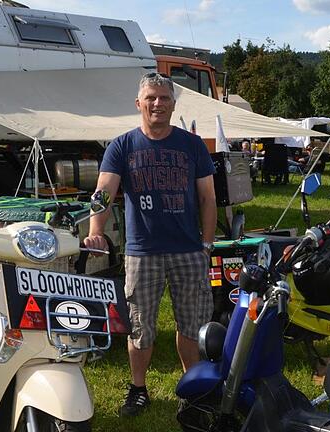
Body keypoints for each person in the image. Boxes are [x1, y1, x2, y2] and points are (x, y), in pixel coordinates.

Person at [84, 73, 217, 417]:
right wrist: (96, 228)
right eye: (151, 98)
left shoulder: (192, 145)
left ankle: (193, 388)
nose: (158, 104)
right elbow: (104, 193)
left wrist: (206, 244)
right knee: (140, 325)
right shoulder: (122, 146)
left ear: (173, 104)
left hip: (189, 251)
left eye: (164, 98)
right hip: (142, 253)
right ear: (138, 104)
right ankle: (138, 388)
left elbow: (208, 199)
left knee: (191, 324)